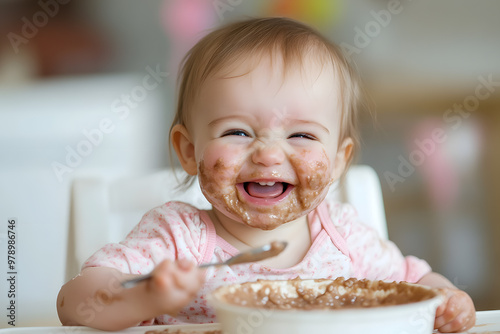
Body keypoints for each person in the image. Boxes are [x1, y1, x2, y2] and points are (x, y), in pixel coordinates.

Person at [57, 17, 475, 332]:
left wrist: (447, 298)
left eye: (301, 134)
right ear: (189, 150)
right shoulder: (176, 239)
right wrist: (149, 295)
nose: (269, 154)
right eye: (237, 132)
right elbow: (75, 301)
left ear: (338, 159)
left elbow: (416, 282)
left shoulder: (344, 238)